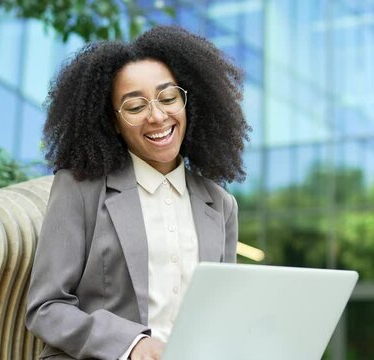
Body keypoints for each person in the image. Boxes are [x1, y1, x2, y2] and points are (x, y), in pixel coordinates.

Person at [25, 25, 249, 360]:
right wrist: (131, 345)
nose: (157, 116)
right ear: (113, 122)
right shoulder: (80, 190)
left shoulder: (220, 205)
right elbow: (46, 307)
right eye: (134, 107)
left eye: (168, 98)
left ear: (189, 102)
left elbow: (221, 314)